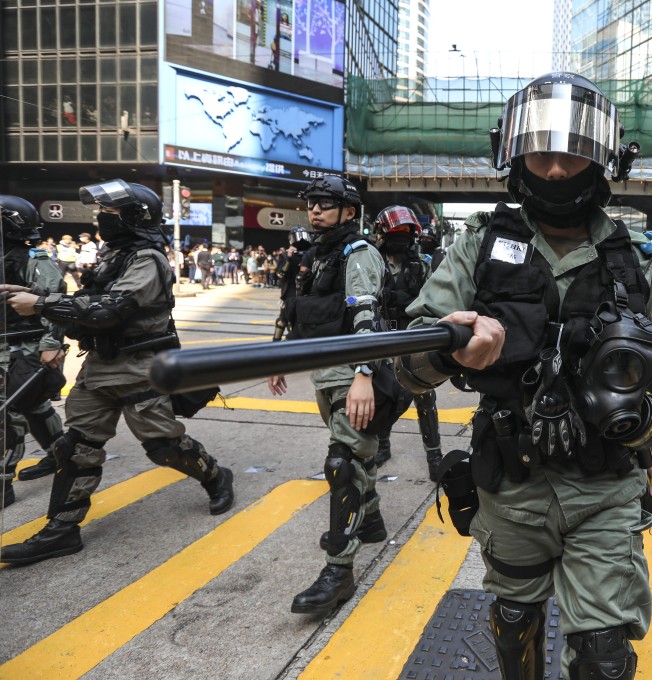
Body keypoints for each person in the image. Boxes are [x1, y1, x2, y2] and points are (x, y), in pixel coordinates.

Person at [397, 72, 652, 680]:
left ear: (601, 159)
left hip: (604, 484)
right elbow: (407, 366)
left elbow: (648, 371)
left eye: (572, 154)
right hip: (512, 482)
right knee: (516, 624)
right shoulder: (478, 247)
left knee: (605, 659)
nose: (554, 171)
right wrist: (449, 350)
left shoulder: (627, 260)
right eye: (542, 153)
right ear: (514, 155)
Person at [0, 180, 235, 566]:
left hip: (139, 367)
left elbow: (111, 309)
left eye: (109, 213)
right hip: (99, 365)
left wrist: (41, 304)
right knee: (76, 446)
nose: (101, 219)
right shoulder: (115, 255)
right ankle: (62, 530)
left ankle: (215, 476)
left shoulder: (148, 259)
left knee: (163, 447)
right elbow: (88, 301)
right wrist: (42, 301)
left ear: (132, 217)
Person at [267, 175, 389, 616]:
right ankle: (370, 519)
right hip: (325, 372)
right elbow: (291, 308)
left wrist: (363, 374)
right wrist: (279, 356)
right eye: (312, 203)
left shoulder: (359, 254)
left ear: (349, 212)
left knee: (343, 465)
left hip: (352, 373)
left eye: (325, 204)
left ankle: (339, 571)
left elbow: (367, 314)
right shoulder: (313, 255)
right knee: (355, 456)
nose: (315, 210)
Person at [0, 196, 68, 501]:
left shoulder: (33, 258)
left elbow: (55, 302)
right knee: (34, 407)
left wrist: (51, 344)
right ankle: (60, 454)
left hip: (23, 346)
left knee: (8, 413)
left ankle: (3, 481)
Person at [374, 205, 443, 478]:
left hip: (413, 340)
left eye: (406, 233)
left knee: (424, 397)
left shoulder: (422, 264)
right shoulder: (373, 262)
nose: (401, 238)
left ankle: (434, 455)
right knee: (383, 394)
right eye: (396, 233)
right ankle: (382, 445)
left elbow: (436, 302)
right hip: (380, 339)